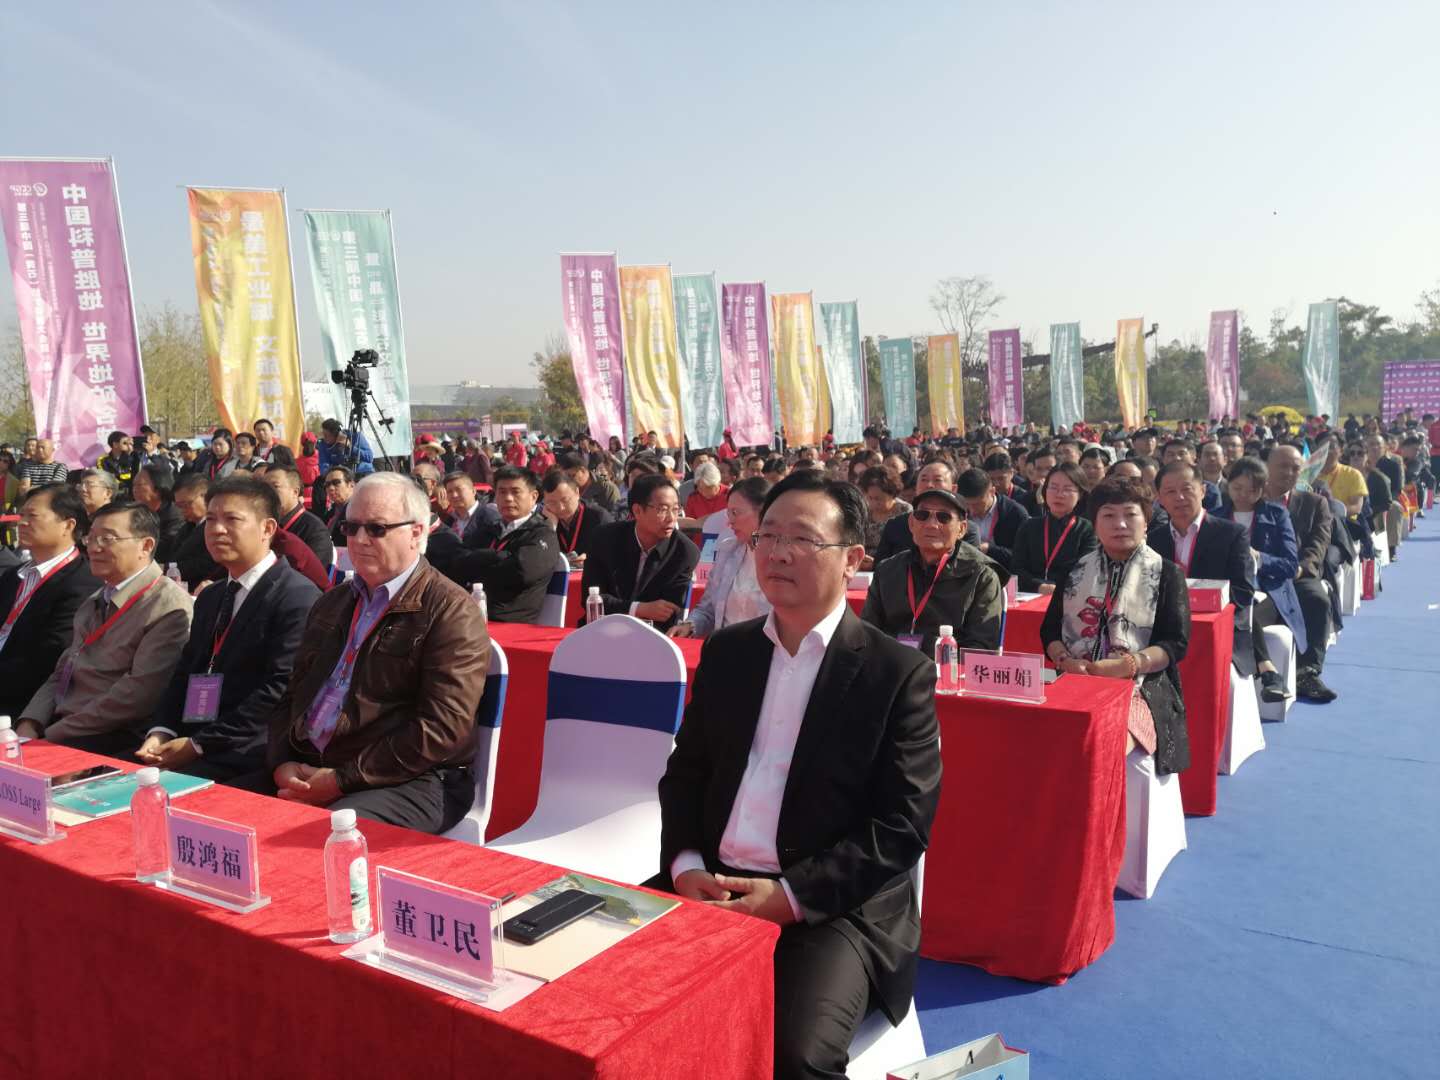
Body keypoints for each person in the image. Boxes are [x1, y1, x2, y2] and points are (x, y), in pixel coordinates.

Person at [654, 471, 941, 1076]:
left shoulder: (895, 674)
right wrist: (685, 866)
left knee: (793, 1056)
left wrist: (790, 898)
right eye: (768, 536)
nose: (778, 553)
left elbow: (901, 825)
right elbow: (686, 774)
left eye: (803, 539)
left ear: (852, 560)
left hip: (831, 906)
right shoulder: (729, 652)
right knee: (601, 993)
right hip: (710, 883)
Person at [253, 474, 483, 831]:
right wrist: (281, 763)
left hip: (412, 779)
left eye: (377, 529)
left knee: (320, 837)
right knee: (214, 807)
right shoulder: (331, 603)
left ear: (416, 532)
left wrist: (341, 780)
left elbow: (441, 728)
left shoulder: (451, 611)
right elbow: (292, 694)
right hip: (310, 764)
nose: (359, 540)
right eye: (351, 527)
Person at [138, 476, 321, 782]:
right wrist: (161, 731)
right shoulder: (211, 596)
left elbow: (278, 690)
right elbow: (186, 670)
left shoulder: (297, 596)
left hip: (249, 751)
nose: (217, 529)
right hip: (193, 737)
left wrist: (198, 745)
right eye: (211, 519)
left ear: (267, 528)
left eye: (232, 519)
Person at [15, 503, 194, 753]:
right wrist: (30, 723)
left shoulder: (167, 605)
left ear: (146, 546)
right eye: (91, 538)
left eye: (107, 539)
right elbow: (64, 669)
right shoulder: (97, 599)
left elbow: (138, 695)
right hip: (62, 726)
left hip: (109, 736)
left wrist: (52, 736)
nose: (94, 548)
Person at [1042, 476, 1191, 772]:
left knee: (1102, 743)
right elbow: (1049, 630)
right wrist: (1065, 660)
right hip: (1075, 677)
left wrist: (1129, 665)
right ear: (1095, 524)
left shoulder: (1166, 573)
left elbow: (1175, 643)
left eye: (1130, 515)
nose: (1120, 524)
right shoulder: (1075, 571)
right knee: (1042, 736)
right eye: (1109, 516)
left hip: (1142, 684)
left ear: (1146, 522)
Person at [862, 487, 1006, 655]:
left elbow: (981, 648)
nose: (931, 524)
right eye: (923, 515)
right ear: (911, 523)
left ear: (961, 529)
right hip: (892, 664)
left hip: (947, 667)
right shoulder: (888, 570)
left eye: (943, 517)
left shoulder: (982, 575)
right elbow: (866, 633)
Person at [0, 485, 100, 720]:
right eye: (22, 515)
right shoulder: (14, 575)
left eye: (32, 516)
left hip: (25, 705)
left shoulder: (83, 583)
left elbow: (47, 661)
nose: (22, 522)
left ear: (68, 525)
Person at [1149, 461, 1255, 679]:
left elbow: (1242, 592)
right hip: (1163, 634)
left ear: (1203, 491)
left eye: (1187, 489)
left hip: (1215, 630)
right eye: (1170, 492)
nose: (1179, 497)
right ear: (1159, 498)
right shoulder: (1153, 540)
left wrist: (1204, 599)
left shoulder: (1232, 534)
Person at [1212, 456, 1302, 703]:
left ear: (1263, 490)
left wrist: (1259, 558)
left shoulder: (1277, 514)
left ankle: (1266, 671)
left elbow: (1290, 564)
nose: (1243, 495)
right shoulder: (1216, 516)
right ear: (1228, 485)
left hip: (1268, 592)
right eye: (1237, 488)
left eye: (1252, 490)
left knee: (1242, 614)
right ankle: (1268, 672)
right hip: (1230, 592)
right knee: (1237, 609)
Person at [429, 466, 557, 624]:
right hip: (472, 614)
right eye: (502, 492)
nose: (508, 498)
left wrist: (480, 561)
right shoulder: (490, 529)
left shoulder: (543, 534)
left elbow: (521, 573)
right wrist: (497, 557)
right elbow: (459, 563)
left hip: (511, 620)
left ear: (534, 496)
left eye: (515, 492)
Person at [580, 473, 699, 631]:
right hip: (602, 630)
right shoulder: (605, 538)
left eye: (676, 509)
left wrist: (624, 608)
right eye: (663, 509)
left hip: (653, 635)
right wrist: (638, 609)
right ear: (637, 511)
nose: (671, 518)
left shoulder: (684, 552)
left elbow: (666, 612)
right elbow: (592, 598)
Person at [668, 477, 771, 638]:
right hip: (725, 647)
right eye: (728, 512)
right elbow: (708, 608)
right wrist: (689, 625)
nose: (730, 521)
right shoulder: (727, 550)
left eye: (735, 513)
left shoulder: (783, 560)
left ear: (763, 513)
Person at [1011, 462, 1099, 594]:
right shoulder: (1029, 526)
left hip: (1070, 597)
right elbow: (1016, 568)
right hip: (1032, 595)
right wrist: (1039, 586)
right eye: (1053, 487)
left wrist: (1057, 589)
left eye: (1067, 489)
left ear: (1080, 494)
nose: (1059, 494)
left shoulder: (1087, 530)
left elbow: (1085, 572)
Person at [263, 463, 334, 568]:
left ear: (295, 492)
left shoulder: (315, 530)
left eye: (275, 486)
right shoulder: (263, 524)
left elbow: (314, 572)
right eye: (265, 487)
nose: (267, 492)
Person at [956, 467, 1028, 570]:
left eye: (977, 504)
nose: (972, 510)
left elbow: (1023, 557)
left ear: (992, 491)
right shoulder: (956, 511)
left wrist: (990, 549)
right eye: (967, 504)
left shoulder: (1016, 514)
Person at [540, 468, 612, 561]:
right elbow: (539, 557)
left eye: (565, 500)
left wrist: (591, 559)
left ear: (577, 493)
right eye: (552, 503)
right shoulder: (542, 519)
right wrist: (551, 528)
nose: (561, 508)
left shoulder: (600, 518)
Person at [858, 466, 910, 566]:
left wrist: (877, 563)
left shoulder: (904, 511)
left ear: (892, 494)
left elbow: (904, 549)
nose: (874, 503)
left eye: (878, 499)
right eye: (870, 498)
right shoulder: (864, 511)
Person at [442, 470, 498, 546]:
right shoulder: (448, 521)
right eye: (450, 491)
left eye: (459, 489)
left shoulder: (490, 517)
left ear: (473, 491)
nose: (454, 495)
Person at [681, 461, 730, 533]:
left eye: (708, 488)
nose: (703, 492)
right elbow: (689, 526)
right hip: (700, 537)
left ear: (717, 483)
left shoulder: (730, 495)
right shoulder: (693, 498)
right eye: (700, 488)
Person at [322, 465, 355, 551]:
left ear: (351, 485)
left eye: (336, 482)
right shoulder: (330, 512)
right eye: (327, 485)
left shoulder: (359, 511)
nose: (331, 488)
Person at [96, 430, 137, 496]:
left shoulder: (134, 457)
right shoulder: (103, 459)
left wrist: (128, 455)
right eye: (125, 443)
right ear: (115, 444)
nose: (128, 445)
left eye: (129, 443)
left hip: (133, 492)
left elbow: (136, 474)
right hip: (115, 493)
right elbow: (106, 478)